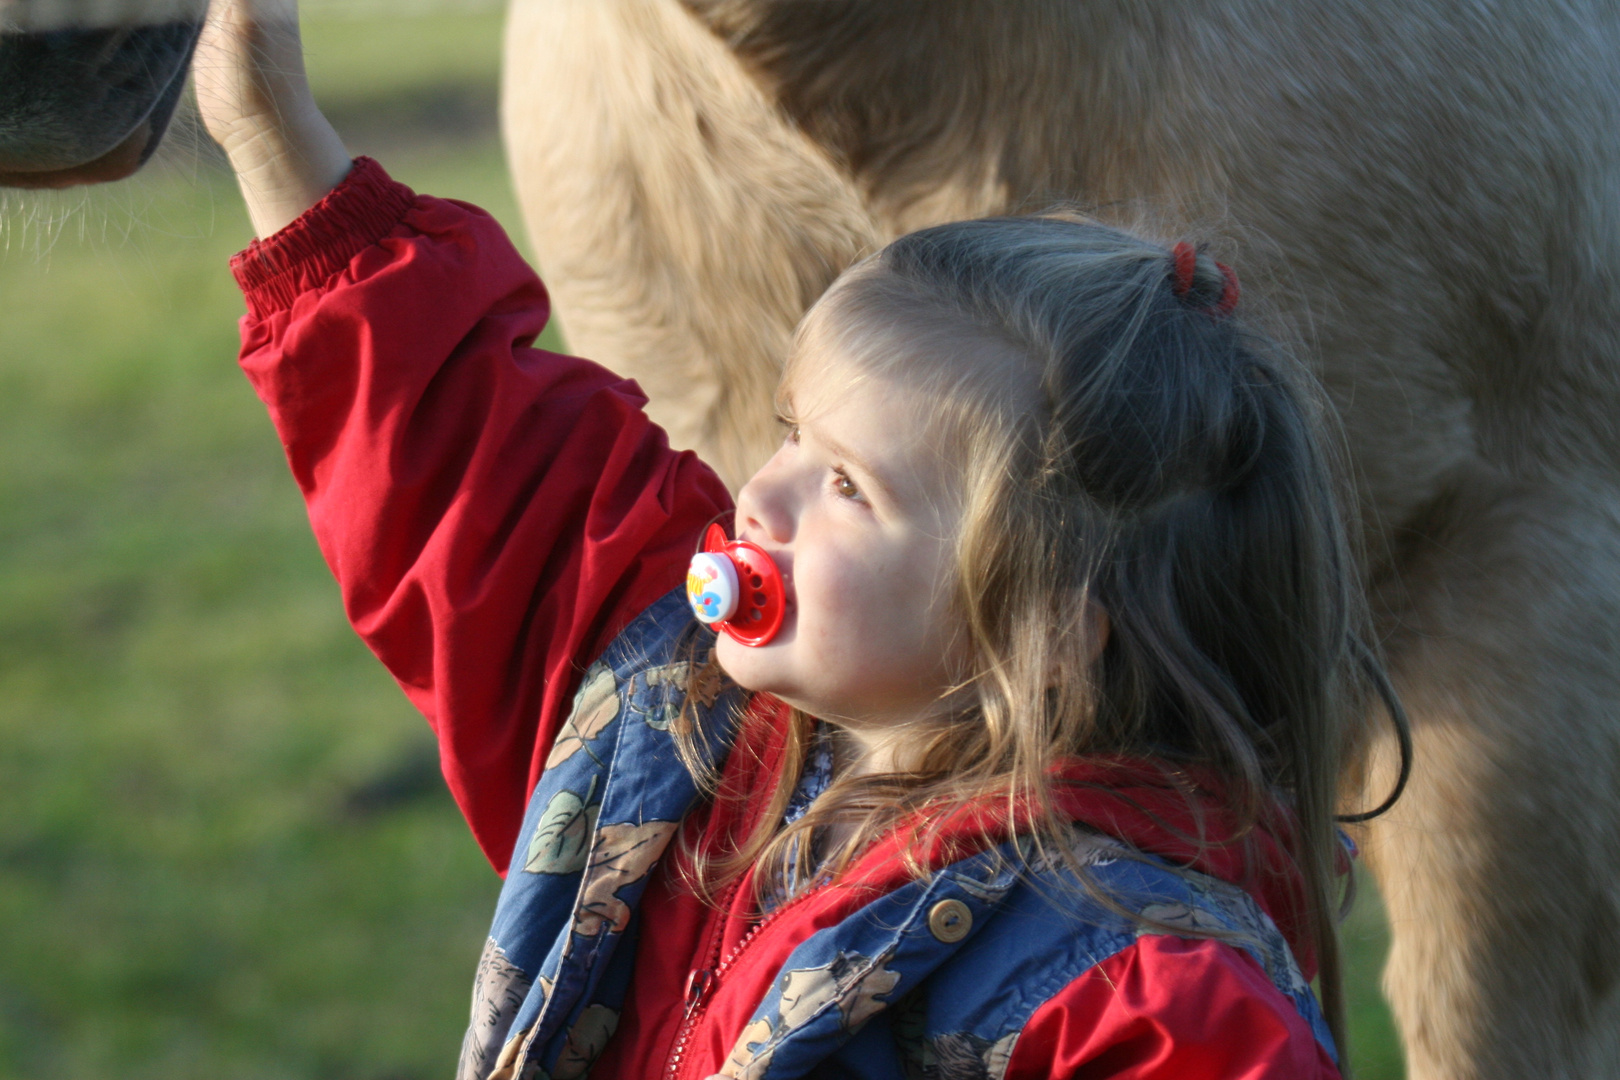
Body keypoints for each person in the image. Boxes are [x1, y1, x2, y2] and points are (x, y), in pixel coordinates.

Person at [196, 3, 1400, 1077]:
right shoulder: (669, 726)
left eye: (846, 486)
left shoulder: (1149, 1015)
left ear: (1040, 638)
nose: (758, 502)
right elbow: (462, 454)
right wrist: (265, 123)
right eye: (788, 436)